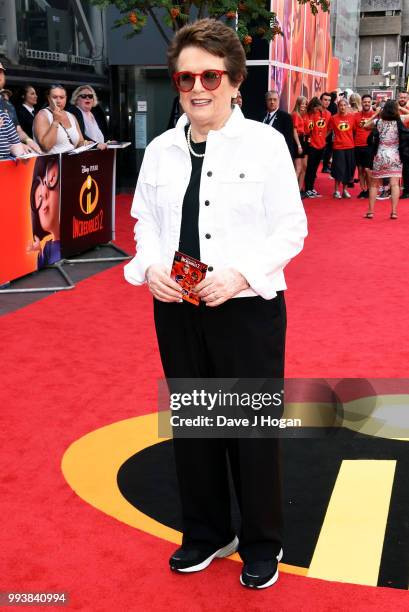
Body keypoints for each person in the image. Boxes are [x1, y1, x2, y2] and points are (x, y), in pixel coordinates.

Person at [124, 18, 307, 589]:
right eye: (184, 79)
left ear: (233, 80)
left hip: (246, 306)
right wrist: (150, 268)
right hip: (177, 306)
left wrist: (240, 275)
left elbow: (291, 228)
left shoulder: (266, 143)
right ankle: (206, 533)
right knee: (196, 425)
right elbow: (146, 226)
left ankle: (260, 543)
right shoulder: (159, 150)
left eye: (209, 75)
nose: (197, 88)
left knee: (249, 430)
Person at [363, 99, 409, 219]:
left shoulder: (378, 122)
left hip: (380, 155)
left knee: (374, 185)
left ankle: (370, 211)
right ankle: (394, 212)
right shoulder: (400, 121)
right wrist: (400, 109)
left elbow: (365, 125)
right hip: (395, 155)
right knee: (394, 184)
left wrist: (376, 113)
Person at [0, 62, 41, 153]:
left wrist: (28, 141)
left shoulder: (8, 104)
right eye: (32, 94)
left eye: (1, 72)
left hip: (11, 161)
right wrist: (18, 144)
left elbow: (18, 130)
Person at [27, 156, 61, 267]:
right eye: (39, 197)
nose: (44, 192)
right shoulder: (47, 247)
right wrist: (38, 251)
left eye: (51, 179)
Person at [33, 84, 84, 154]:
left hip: (72, 161)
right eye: (55, 97)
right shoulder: (42, 115)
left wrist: (87, 143)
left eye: (62, 97)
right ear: (48, 98)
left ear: (66, 98)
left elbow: (79, 142)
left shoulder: (71, 116)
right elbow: (46, 146)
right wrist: (55, 121)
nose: (58, 101)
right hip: (54, 163)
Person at [328, 98, 356, 198]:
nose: (342, 107)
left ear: (347, 106)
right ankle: (336, 190)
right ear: (338, 107)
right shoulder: (333, 118)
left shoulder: (352, 117)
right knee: (338, 169)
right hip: (338, 147)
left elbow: (356, 131)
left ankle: (344, 190)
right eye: (341, 105)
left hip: (350, 146)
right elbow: (328, 131)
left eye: (344, 105)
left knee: (348, 169)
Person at [304, 97, 331, 197]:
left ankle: (311, 187)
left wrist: (323, 137)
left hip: (322, 145)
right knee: (310, 168)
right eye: (325, 100)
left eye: (329, 100)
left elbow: (329, 129)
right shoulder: (311, 113)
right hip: (311, 145)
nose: (327, 102)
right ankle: (307, 188)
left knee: (315, 168)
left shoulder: (328, 114)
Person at [354, 94, 375, 198]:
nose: (366, 103)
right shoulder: (356, 116)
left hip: (369, 146)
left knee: (368, 170)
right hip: (357, 145)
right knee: (360, 169)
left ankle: (370, 190)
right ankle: (364, 190)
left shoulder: (375, 115)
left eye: (368, 102)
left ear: (371, 103)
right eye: (364, 102)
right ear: (361, 103)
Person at [263, 90, 294, 157]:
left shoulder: (286, 117)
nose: (272, 102)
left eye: (275, 100)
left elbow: (289, 139)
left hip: (278, 154)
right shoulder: (261, 116)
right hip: (263, 151)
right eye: (270, 99)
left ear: (278, 101)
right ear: (266, 101)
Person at [291, 95, 308, 195]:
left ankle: (299, 190)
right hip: (298, 141)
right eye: (302, 103)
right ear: (298, 103)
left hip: (303, 140)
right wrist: (299, 145)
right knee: (298, 168)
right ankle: (293, 192)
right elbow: (294, 130)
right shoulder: (295, 115)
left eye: (305, 104)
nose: (304, 105)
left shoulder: (301, 115)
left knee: (302, 167)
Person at [397, 91, 409, 198]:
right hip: (394, 141)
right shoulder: (393, 110)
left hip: (407, 143)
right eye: (401, 97)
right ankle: (392, 189)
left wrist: (400, 109)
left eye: (404, 98)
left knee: (406, 167)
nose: (402, 99)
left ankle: (406, 190)